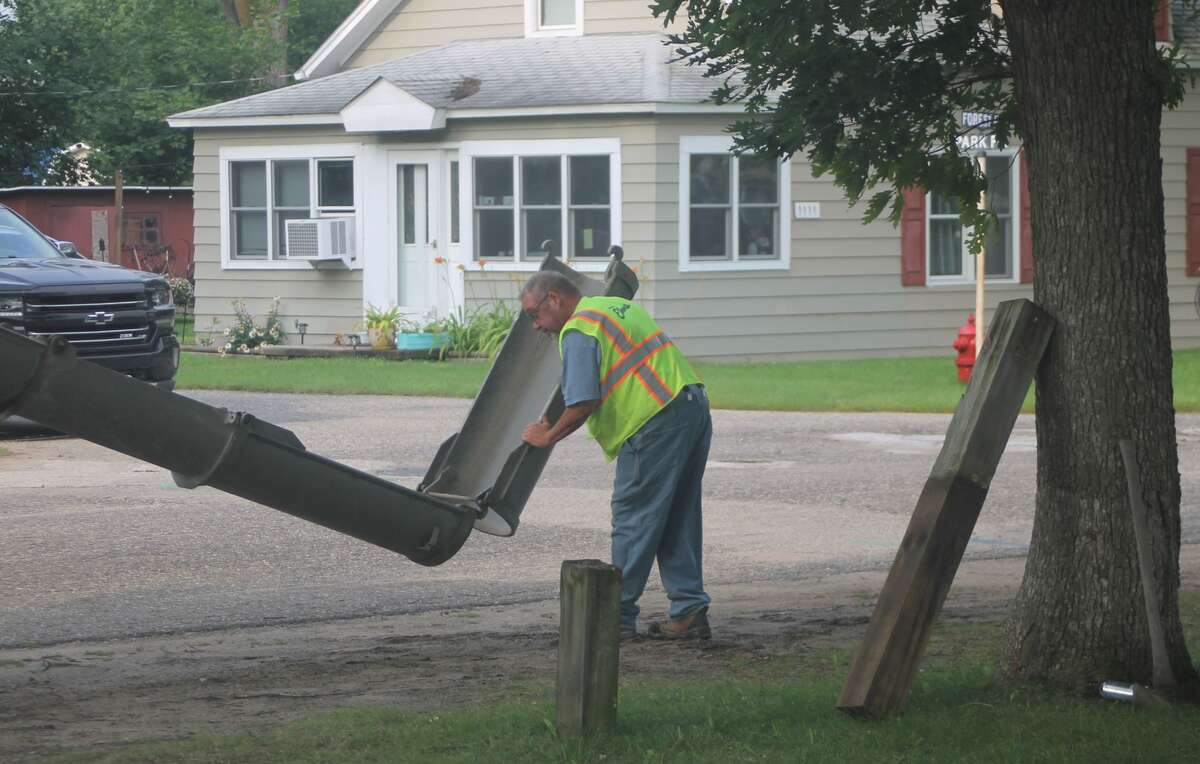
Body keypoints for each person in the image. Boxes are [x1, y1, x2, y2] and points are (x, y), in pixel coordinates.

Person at [519, 272, 713, 640]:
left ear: (555, 299)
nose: (536, 326)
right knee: (678, 514)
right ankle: (689, 611)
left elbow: (583, 402)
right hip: (691, 406)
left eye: (534, 315)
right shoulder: (613, 307)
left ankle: (615, 616)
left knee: (634, 517)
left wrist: (548, 436)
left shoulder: (579, 330)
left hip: (654, 422)